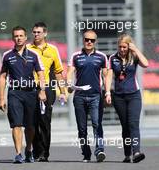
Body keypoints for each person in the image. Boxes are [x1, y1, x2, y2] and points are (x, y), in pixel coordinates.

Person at [0, 26, 46, 164]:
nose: (18, 38)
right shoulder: (7, 56)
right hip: (14, 93)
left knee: (30, 125)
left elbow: (41, 75)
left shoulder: (33, 55)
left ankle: (29, 149)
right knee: (16, 124)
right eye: (16, 36)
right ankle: (18, 153)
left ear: (26, 38)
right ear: (13, 38)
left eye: (21, 36)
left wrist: (42, 91)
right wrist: (1, 98)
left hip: (31, 93)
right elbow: (2, 77)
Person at [105, 34, 148, 163]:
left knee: (133, 123)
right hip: (119, 96)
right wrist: (107, 92)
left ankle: (137, 152)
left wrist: (136, 50)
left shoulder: (134, 56)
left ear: (129, 46)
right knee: (125, 126)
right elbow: (108, 76)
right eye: (120, 47)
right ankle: (127, 153)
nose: (122, 49)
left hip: (134, 95)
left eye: (125, 47)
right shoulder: (113, 58)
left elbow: (146, 64)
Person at [27, 22, 66, 162]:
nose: (36, 35)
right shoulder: (27, 49)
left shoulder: (53, 49)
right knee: (32, 122)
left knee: (44, 121)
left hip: (48, 88)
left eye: (38, 32)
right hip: (31, 88)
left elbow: (59, 73)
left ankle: (44, 152)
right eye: (34, 32)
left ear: (45, 33)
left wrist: (63, 91)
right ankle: (35, 151)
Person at [67, 30, 108, 162]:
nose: (89, 42)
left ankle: (100, 150)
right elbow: (70, 72)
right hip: (79, 97)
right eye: (86, 39)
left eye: (92, 40)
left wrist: (107, 92)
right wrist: (68, 84)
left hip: (96, 96)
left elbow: (106, 75)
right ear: (83, 40)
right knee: (82, 128)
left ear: (96, 42)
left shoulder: (102, 57)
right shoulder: (75, 56)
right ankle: (86, 153)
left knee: (97, 123)